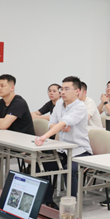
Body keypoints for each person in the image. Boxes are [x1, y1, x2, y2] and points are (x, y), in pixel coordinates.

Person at [34, 76, 92, 205]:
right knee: (41, 165)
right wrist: (59, 126)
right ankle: (48, 202)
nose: (63, 92)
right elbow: (51, 123)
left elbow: (64, 122)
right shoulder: (59, 103)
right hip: (63, 150)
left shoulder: (80, 107)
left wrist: (44, 137)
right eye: (62, 89)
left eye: (66, 89)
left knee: (69, 169)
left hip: (80, 151)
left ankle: (72, 205)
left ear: (77, 91)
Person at [0, 74, 35, 182]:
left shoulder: (19, 103)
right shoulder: (0, 103)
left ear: (12, 88)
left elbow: (3, 126)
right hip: (5, 141)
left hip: (21, 143)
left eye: (2, 86)